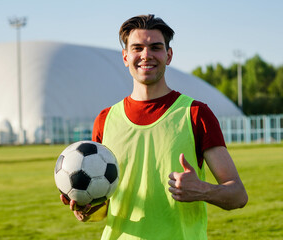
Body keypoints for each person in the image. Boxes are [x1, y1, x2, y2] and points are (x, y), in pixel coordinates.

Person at [60, 14, 248, 240]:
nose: (146, 55)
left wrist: (202, 189)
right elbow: (106, 208)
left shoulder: (195, 114)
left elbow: (238, 195)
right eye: (137, 48)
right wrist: (86, 209)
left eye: (155, 47)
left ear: (168, 55)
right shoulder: (106, 119)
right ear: (125, 56)